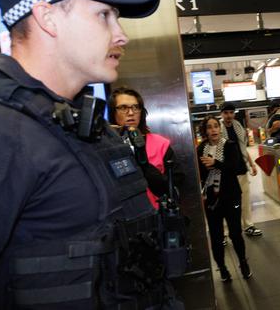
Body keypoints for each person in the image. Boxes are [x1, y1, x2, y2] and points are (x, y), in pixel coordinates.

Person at [0, 0, 188, 309]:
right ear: (48, 18)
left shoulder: (86, 127)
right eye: (104, 15)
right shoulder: (3, 133)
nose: (121, 35)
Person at [109, 86, 185, 208]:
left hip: (157, 215)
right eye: (123, 108)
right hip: (121, 217)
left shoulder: (160, 144)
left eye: (136, 107)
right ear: (113, 112)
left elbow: (175, 185)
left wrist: (143, 163)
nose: (131, 112)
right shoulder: (105, 146)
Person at [197, 116, 252, 282]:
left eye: (215, 126)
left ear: (219, 129)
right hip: (212, 200)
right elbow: (200, 174)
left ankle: (243, 262)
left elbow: (236, 168)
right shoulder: (200, 149)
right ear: (205, 131)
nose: (213, 130)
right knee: (216, 236)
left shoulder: (230, 146)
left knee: (235, 233)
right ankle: (222, 268)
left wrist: (216, 163)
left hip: (232, 197)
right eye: (209, 127)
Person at [219, 102, 262, 237]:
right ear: (221, 114)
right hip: (225, 172)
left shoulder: (238, 127)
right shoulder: (218, 129)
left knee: (244, 199)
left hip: (241, 169)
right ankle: (224, 233)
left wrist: (252, 164)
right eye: (226, 113)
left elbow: (242, 149)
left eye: (231, 112)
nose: (229, 116)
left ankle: (248, 226)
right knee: (225, 202)